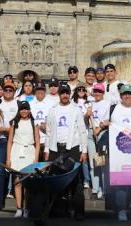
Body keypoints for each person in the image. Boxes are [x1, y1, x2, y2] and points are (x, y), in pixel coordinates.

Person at [45, 84, 88, 221]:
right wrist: (46, 149)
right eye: (62, 93)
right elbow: (49, 131)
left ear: (70, 94)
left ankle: (79, 210)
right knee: (55, 179)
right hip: (55, 148)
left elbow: (82, 131)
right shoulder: (53, 110)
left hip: (73, 148)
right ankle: (57, 209)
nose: (64, 95)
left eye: (66, 93)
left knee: (75, 180)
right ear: (59, 94)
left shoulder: (76, 109)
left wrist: (84, 151)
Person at [106, 84, 131, 221]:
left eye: (129, 94)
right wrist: (105, 124)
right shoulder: (113, 109)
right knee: (121, 181)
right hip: (118, 151)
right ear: (121, 96)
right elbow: (104, 123)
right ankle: (122, 209)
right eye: (124, 94)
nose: (127, 96)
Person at [7, 101, 40, 218]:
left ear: (29, 110)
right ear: (19, 110)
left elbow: (37, 142)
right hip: (16, 152)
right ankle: (19, 208)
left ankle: (27, 208)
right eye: (22, 109)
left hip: (29, 153)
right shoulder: (14, 123)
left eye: (26, 108)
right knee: (17, 182)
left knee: (28, 183)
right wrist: (8, 159)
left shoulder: (34, 123)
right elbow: (10, 141)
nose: (24, 111)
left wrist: (36, 158)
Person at [85, 83, 109, 200]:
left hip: (102, 134)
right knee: (93, 163)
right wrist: (87, 115)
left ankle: (105, 190)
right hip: (91, 133)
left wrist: (100, 128)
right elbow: (86, 118)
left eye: (99, 91)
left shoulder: (107, 103)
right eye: (95, 91)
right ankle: (95, 189)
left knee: (102, 162)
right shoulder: (90, 104)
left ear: (103, 93)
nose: (97, 93)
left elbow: (108, 120)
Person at [30, 82, 52, 160]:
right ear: (35, 91)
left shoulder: (51, 104)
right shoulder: (30, 104)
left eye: (42, 89)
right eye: (37, 90)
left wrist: (48, 125)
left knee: (47, 166)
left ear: (45, 91)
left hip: (48, 140)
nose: (40, 92)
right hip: (34, 141)